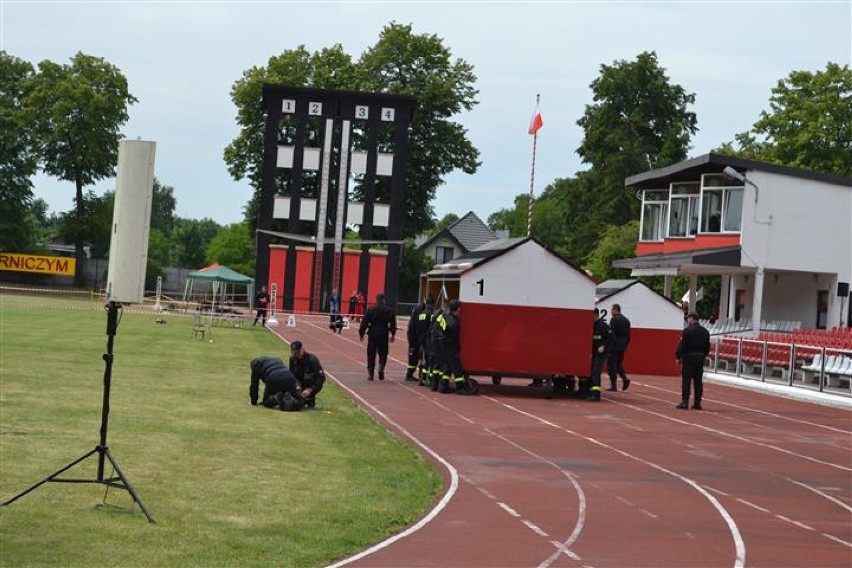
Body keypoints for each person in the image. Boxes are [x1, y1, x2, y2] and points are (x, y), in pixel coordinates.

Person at [436, 299, 477, 395]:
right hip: (450, 346)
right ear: (458, 309)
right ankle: (460, 387)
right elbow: (455, 337)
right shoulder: (454, 322)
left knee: (448, 366)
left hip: (442, 344)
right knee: (457, 368)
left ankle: (443, 386)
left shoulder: (444, 315)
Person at [675, 312, 711, 410]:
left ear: (692, 319)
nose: (687, 320)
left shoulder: (687, 331)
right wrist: (704, 355)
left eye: (688, 318)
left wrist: (678, 356)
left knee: (686, 380)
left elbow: (683, 346)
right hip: (700, 357)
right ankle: (697, 402)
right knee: (698, 381)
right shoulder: (705, 331)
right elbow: (707, 347)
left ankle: (685, 401)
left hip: (689, 357)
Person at [358, 293, 397, 381]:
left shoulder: (370, 310)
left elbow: (364, 322)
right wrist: (393, 334)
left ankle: (371, 373)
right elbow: (393, 324)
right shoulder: (389, 310)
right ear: (383, 300)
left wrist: (361, 333)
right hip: (384, 332)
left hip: (373, 332)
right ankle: (381, 367)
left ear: (376, 300)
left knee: (371, 353)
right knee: (383, 352)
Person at [288, 340, 326, 408]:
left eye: (298, 353)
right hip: (299, 383)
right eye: (294, 353)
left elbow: (321, 378)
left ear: (302, 349)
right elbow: (291, 375)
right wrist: (297, 385)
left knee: (308, 378)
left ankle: (310, 399)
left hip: (311, 385)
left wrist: (310, 390)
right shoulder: (293, 359)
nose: (296, 355)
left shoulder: (312, 360)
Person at [588, 307, 612, 401]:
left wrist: (604, 346)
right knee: (591, 372)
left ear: (596, 315)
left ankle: (596, 394)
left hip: (600, 353)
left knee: (596, 371)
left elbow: (611, 338)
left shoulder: (603, 325)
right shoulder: (592, 325)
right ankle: (589, 391)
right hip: (592, 352)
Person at [606, 303, 631, 391]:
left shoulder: (614, 319)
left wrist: (608, 344)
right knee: (618, 364)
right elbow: (628, 335)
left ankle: (614, 385)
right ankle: (624, 378)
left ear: (615, 310)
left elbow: (611, 333)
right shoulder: (626, 320)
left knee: (611, 365)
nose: (611, 311)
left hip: (614, 345)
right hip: (623, 345)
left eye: (612, 309)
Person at [405, 300, 425, 381]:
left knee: (414, 355)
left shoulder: (415, 313)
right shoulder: (419, 313)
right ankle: (409, 374)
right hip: (415, 339)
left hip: (413, 337)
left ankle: (410, 373)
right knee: (414, 356)